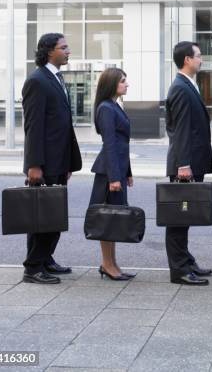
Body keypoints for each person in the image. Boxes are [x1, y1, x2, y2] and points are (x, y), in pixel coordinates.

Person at [22, 33, 82, 284]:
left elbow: (62, 125)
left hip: (59, 161)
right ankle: (33, 267)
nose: (69, 51)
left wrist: (68, 162)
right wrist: (33, 165)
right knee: (43, 216)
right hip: (44, 163)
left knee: (54, 215)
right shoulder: (37, 80)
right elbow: (33, 127)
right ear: (49, 51)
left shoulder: (56, 78)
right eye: (64, 48)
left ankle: (46, 259)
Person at [165, 41, 212, 285]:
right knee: (178, 219)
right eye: (199, 56)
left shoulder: (187, 85)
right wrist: (183, 165)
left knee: (185, 216)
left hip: (191, 163)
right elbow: (180, 129)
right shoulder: (181, 88)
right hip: (185, 166)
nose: (201, 60)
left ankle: (186, 261)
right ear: (187, 59)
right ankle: (180, 270)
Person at [89, 68, 135, 281]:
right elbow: (109, 143)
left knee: (113, 219)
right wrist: (115, 177)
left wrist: (127, 172)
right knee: (108, 219)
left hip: (116, 170)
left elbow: (121, 144)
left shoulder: (114, 105)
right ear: (112, 84)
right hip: (108, 173)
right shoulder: (107, 108)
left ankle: (111, 263)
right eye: (123, 81)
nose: (127, 84)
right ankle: (107, 264)